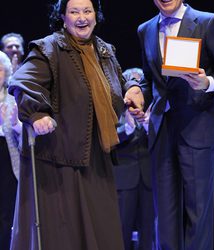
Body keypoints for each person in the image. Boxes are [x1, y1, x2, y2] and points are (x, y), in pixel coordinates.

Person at [7, 0, 144, 250]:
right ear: (63, 17)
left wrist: (132, 88)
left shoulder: (104, 50)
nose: (82, 18)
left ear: (96, 15)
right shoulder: (48, 48)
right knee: (64, 236)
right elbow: (23, 82)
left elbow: (117, 80)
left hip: (96, 156)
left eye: (87, 11)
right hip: (60, 158)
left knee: (102, 233)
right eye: (74, 11)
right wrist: (37, 114)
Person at [133, 0, 214, 249]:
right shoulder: (145, 29)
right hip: (161, 131)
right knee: (165, 217)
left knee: (198, 213)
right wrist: (138, 91)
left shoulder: (207, 21)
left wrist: (208, 83)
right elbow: (151, 80)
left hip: (198, 127)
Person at [114, 68, 155, 250]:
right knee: (121, 230)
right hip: (124, 179)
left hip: (149, 179)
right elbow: (109, 138)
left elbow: (163, 138)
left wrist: (147, 124)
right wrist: (128, 126)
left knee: (149, 232)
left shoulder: (151, 108)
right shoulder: (117, 108)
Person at [0, 51, 22, 250]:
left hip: (7, 159)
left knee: (6, 213)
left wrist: (14, 122)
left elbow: (23, 133)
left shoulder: (11, 98)